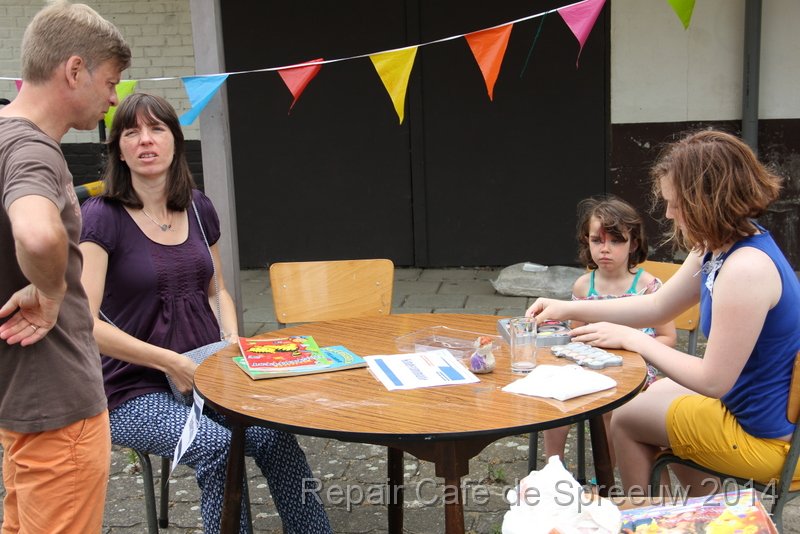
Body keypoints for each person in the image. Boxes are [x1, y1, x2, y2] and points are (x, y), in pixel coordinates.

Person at [79, 92, 332, 533]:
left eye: (156, 129)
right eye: (131, 132)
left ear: (175, 141)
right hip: (130, 388)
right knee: (216, 448)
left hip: (207, 371)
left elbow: (217, 289)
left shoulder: (198, 207)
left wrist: (232, 337)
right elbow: (85, 323)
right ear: (118, 147)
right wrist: (169, 362)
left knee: (275, 434)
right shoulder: (101, 217)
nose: (145, 141)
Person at [527, 130, 800, 495]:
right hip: (745, 409)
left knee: (625, 420)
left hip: (764, 441)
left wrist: (633, 339)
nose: (669, 213)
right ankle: (697, 512)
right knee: (645, 402)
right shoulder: (717, 246)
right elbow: (658, 305)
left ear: (709, 199)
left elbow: (713, 381)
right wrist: (567, 307)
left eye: (676, 202)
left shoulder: (745, 269)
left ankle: (653, 517)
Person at [0, 3, 130, 532]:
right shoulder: (35, 150)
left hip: (18, 399)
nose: (113, 98)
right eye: (111, 81)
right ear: (74, 70)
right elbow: (35, 230)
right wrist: (49, 290)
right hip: (59, 407)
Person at [542, 195, 676, 466]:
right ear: (586, 241)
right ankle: (553, 467)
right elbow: (575, 335)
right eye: (597, 240)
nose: (605, 249)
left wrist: (637, 348)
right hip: (592, 366)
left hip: (637, 371)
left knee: (609, 404)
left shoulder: (647, 286)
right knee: (554, 393)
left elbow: (668, 337)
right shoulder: (583, 286)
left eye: (616, 241)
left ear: (633, 244)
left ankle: (606, 474)